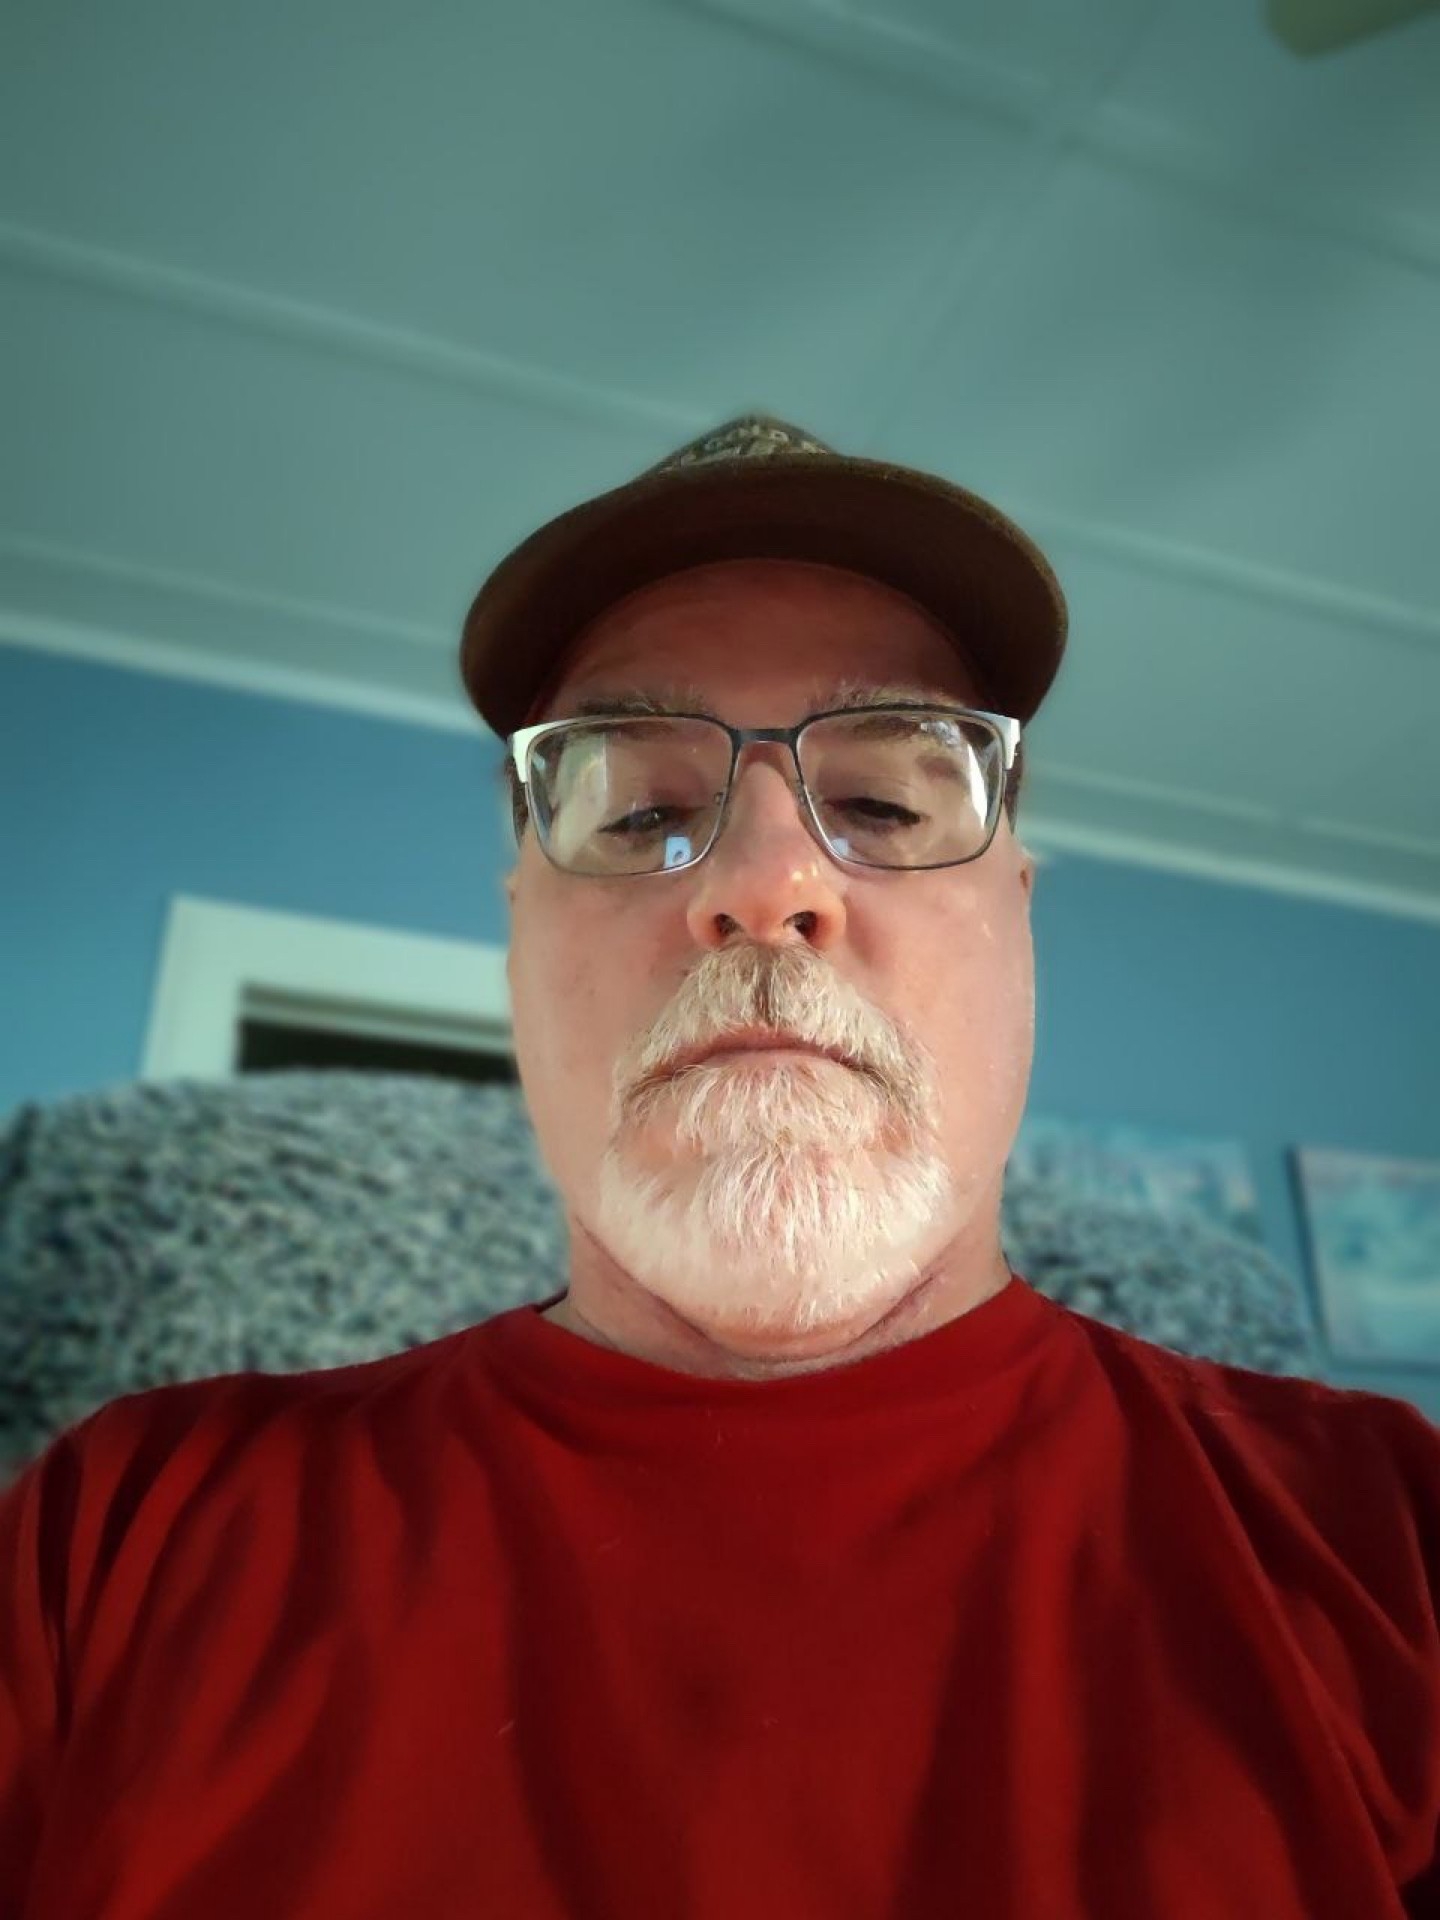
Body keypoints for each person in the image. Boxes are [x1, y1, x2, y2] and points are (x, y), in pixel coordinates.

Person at [1, 415, 1436, 1916]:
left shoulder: (1391, 1541)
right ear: (517, 934)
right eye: (641, 812)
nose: (765, 881)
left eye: (884, 803)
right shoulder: (119, 1534)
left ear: (1019, 911)